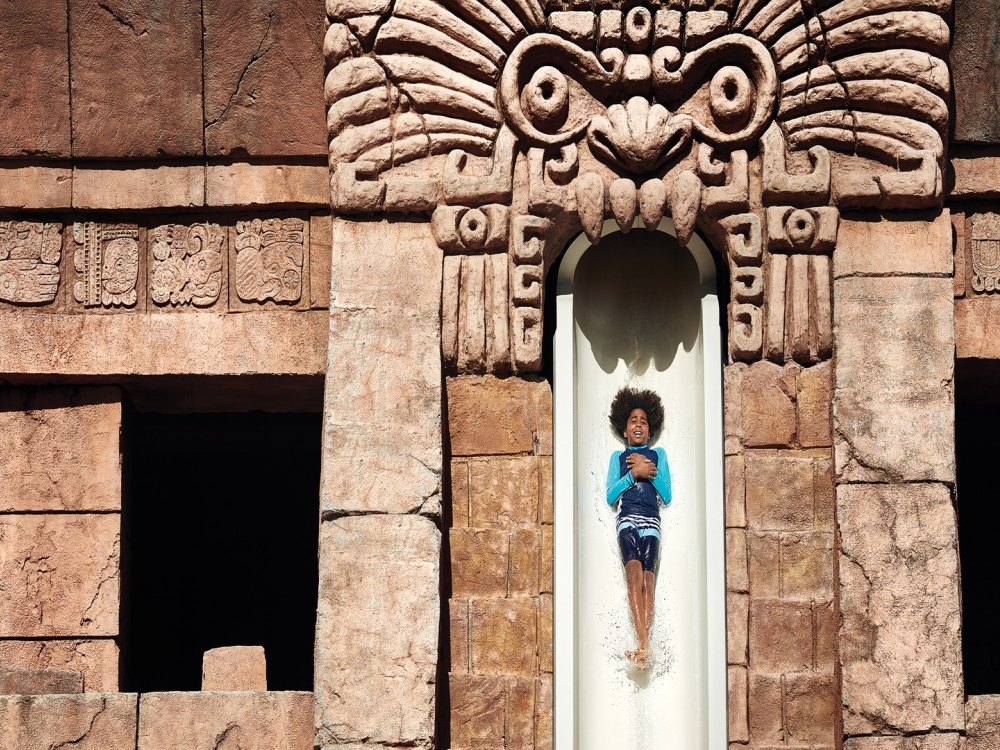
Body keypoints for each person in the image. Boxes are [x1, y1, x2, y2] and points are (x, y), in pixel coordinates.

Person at [605, 387, 671, 668]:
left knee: (648, 581)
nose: (639, 424)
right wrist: (633, 474)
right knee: (633, 576)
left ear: (650, 428)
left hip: (652, 521)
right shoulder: (617, 459)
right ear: (624, 430)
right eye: (633, 420)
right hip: (628, 519)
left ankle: (644, 646)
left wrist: (648, 469)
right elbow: (610, 496)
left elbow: (666, 495)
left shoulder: (659, 455)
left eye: (643, 420)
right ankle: (643, 643)